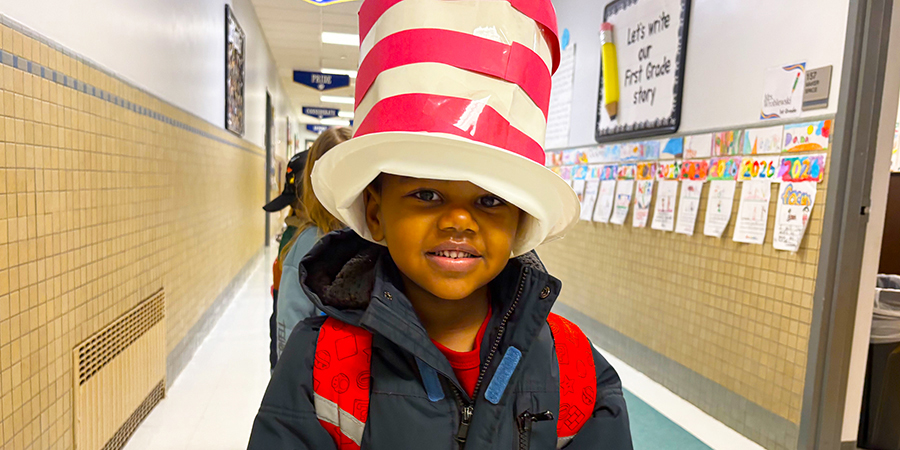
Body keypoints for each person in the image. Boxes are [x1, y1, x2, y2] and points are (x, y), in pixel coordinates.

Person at [248, 0, 633, 448]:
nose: (460, 220)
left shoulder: (573, 368)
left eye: (490, 200)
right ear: (376, 211)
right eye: (427, 195)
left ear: (520, 220)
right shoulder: (321, 366)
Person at [275, 127, 350, 359]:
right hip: (322, 376)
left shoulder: (372, 236)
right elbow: (290, 328)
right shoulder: (308, 245)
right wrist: (289, 385)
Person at [262, 149, 309, 371]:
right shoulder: (298, 238)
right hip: (284, 321)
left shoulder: (302, 236)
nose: (294, 213)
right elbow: (287, 321)